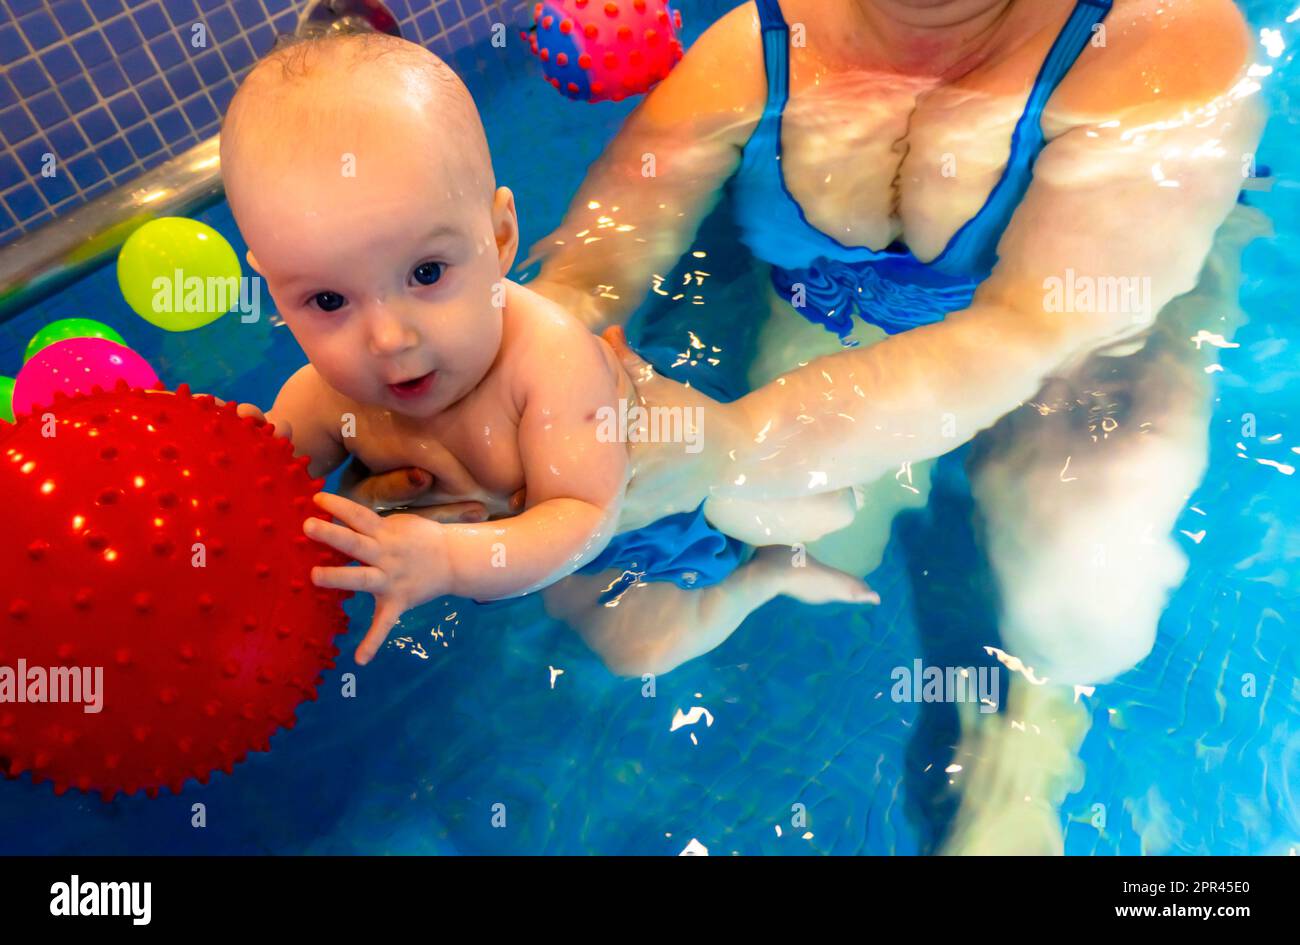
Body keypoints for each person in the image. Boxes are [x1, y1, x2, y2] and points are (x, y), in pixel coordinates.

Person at [353, 0, 1269, 852]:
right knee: (649, 610)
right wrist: (480, 426)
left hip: (1094, 369)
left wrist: (731, 445)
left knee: (1085, 603)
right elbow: (590, 276)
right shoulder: (752, 57)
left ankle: (1037, 722)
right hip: (844, 321)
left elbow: (1031, 331)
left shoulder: (1159, 47)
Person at [217, 32, 878, 668]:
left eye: (426, 274)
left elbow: (586, 515)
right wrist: (238, 479)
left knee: (823, 508)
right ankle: (765, 573)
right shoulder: (317, 399)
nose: (388, 338)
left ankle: (771, 560)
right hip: (541, 543)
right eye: (328, 301)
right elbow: (271, 510)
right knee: (634, 650)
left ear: (501, 236)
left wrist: (448, 560)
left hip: (657, 498)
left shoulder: (547, 362)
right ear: (275, 290)